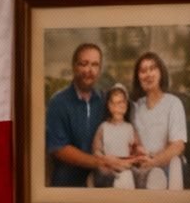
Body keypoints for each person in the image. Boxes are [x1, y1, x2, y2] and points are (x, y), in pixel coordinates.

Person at [44, 41, 129, 188]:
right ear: (74, 66)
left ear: (100, 69)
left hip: (103, 182)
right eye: (84, 64)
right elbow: (59, 149)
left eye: (95, 65)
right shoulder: (58, 102)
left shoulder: (105, 100)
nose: (89, 70)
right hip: (68, 184)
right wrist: (99, 162)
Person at [129, 50, 187, 190]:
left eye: (152, 68)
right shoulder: (135, 107)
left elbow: (178, 146)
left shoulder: (173, 103)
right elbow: (132, 143)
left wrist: (153, 162)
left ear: (161, 73)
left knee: (161, 173)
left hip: (165, 166)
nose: (148, 74)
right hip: (140, 167)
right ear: (138, 77)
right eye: (143, 71)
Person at [93, 84, 139, 189]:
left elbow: (136, 151)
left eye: (120, 103)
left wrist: (130, 161)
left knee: (126, 178)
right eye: (113, 103)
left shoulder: (130, 128)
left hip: (125, 169)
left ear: (126, 105)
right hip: (108, 170)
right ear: (108, 105)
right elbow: (96, 150)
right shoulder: (103, 127)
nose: (117, 107)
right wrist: (105, 160)